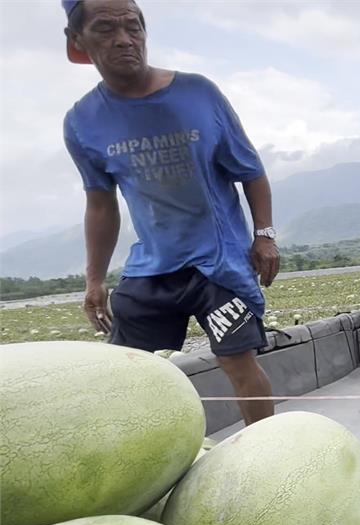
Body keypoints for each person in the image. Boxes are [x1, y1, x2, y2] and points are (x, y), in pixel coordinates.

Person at [62, 0, 276, 425]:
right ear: (77, 40)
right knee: (129, 372)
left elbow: (251, 171)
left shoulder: (198, 93)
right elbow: (101, 205)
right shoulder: (82, 121)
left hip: (218, 262)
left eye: (133, 27)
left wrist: (264, 234)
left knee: (237, 363)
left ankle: (269, 456)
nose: (125, 39)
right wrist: (93, 280)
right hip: (152, 267)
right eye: (106, 29)